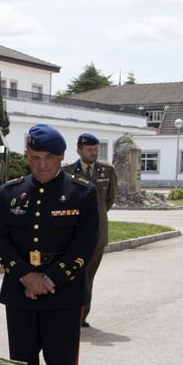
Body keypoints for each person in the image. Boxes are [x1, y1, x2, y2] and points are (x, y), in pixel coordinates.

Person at [0, 124, 98, 365]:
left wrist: (49, 279)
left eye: (49, 157)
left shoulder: (81, 193)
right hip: (20, 293)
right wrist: (26, 276)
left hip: (63, 294)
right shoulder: (10, 192)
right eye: (35, 157)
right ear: (27, 155)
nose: (42, 165)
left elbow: (84, 245)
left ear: (61, 156)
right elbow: (0, 239)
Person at [64, 133, 118, 326]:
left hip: (97, 234)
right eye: (89, 149)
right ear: (79, 151)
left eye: (96, 149)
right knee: (72, 274)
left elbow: (109, 200)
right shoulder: (68, 171)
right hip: (73, 233)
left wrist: (96, 218)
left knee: (88, 275)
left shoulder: (107, 171)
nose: (94, 152)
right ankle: (68, 311)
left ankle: (81, 316)